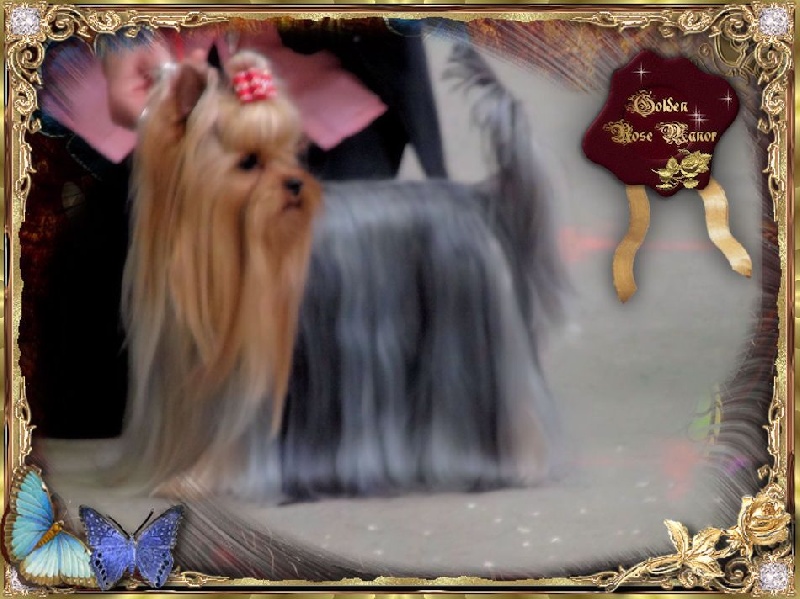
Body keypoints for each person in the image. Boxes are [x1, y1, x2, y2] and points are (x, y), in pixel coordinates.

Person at [27, 20, 448, 439]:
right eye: (252, 164)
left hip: (327, 79)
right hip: (115, 81)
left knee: (330, 359)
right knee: (86, 383)